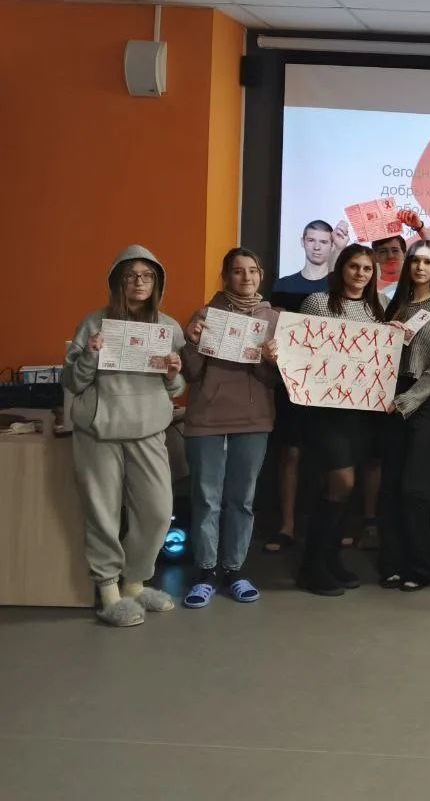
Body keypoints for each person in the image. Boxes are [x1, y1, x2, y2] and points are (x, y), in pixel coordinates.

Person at [63, 245, 186, 626]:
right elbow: (72, 381)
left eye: (147, 276)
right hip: (100, 429)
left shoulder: (168, 327)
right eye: (130, 275)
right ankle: (108, 592)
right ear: (117, 280)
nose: (139, 282)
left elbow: (175, 387)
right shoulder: (93, 323)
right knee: (102, 511)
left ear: (157, 282)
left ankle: (134, 583)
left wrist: (172, 374)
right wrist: (90, 355)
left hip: (148, 428)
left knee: (157, 511)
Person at [179, 247, 280, 608]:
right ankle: (205, 572)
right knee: (206, 498)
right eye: (238, 271)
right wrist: (193, 343)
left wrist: (269, 361)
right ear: (226, 277)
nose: (246, 277)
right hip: (206, 418)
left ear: (261, 275)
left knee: (242, 499)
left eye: (252, 270)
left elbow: (275, 381)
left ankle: (234, 570)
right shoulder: (206, 315)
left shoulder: (274, 319)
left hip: (254, 419)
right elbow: (191, 373)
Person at [295, 245, 389, 596]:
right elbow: (301, 350)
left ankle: (331, 559)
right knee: (340, 482)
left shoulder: (377, 308)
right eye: (354, 266)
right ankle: (311, 566)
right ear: (341, 268)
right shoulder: (318, 303)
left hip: (361, 413)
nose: (360, 274)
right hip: (324, 411)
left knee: (348, 487)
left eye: (367, 268)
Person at [378, 240, 430, 592]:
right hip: (391, 399)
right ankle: (392, 564)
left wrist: (409, 400)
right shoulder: (396, 305)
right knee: (391, 485)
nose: (421, 267)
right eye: (415, 260)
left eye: (428, 262)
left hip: (426, 399)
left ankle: (419, 567)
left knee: (415, 487)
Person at [264, 219, 334, 556]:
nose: (317, 246)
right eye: (312, 240)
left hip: (330, 384)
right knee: (289, 454)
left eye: (324, 241)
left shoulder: (336, 286)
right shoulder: (284, 284)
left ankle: (323, 527)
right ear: (303, 242)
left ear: (332, 245)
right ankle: (287, 525)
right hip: (290, 382)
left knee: (328, 457)